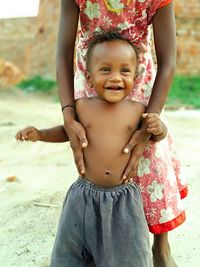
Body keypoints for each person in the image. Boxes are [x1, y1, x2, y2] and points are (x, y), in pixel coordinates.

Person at [16, 32, 168, 267]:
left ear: (136, 76)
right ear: (89, 76)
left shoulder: (139, 110)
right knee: (73, 253)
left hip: (123, 199)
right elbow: (67, 132)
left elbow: (156, 136)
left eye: (124, 70)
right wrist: (40, 134)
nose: (115, 77)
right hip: (83, 196)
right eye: (105, 70)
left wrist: (159, 127)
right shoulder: (83, 106)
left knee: (129, 255)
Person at [56, 1, 188, 266]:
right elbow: (62, 53)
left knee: (152, 163)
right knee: (103, 152)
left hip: (137, 78)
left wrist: (151, 119)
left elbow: (169, 61)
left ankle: (160, 246)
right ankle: (100, 236)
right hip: (94, 75)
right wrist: (68, 112)